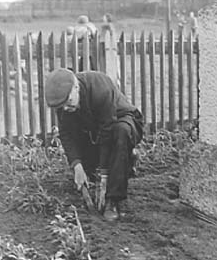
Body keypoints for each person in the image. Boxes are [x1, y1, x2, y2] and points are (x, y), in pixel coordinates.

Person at [45, 68, 144, 221]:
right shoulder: (64, 100)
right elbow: (66, 135)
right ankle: (126, 160)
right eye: (62, 106)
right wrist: (77, 166)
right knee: (90, 172)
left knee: (120, 134)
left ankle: (114, 200)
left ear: (76, 87)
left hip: (122, 121)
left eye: (68, 102)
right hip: (95, 130)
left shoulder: (100, 87)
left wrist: (104, 178)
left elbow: (107, 133)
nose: (65, 108)